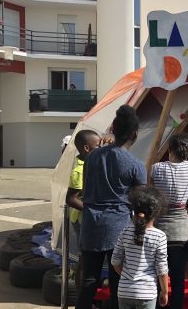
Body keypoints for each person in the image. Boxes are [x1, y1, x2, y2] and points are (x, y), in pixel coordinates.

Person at [76, 105, 148, 309]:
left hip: (90, 224)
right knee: (118, 283)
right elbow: (140, 202)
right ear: (134, 134)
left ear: (113, 129)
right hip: (119, 228)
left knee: (89, 280)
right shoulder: (136, 165)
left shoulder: (91, 157)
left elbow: (85, 189)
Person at [150, 133, 188, 309]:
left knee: (155, 278)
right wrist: (183, 213)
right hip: (181, 231)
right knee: (178, 280)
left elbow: (150, 199)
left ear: (169, 150)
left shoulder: (155, 168)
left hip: (157, 229)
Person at [111, 187, 169, 309]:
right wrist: (164, 291)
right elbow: (162, 269)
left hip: (124, 291)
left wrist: (127, 275)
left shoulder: (125, 231)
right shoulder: (159, 236)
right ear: (156, 212)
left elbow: (115, 261)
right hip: (146, 293)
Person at [65, 129, 101, 289]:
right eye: (97, 146)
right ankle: (81, 294)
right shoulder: (79, 171)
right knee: (85, 259)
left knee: (86, 258)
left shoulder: (90, 163)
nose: (100, 148)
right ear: (86, 148)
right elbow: (71, 198)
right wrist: (91, 209)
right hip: (82, 219)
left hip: (86, 218)